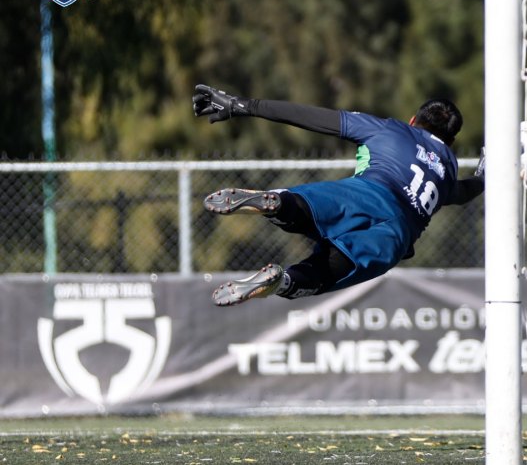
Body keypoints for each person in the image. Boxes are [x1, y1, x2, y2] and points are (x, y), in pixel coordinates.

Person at [192, 84, 485, 306]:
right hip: (395, 237)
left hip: (368, 194)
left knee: (301, 206)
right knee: (325, 273)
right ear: (450, 141)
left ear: (412, 120)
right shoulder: (448, 169)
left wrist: (242, 105)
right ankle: (282, 281)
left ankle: (278, 204)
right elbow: (463, 192)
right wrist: (484, 179)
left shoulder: (389, 129)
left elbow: (313, 117)